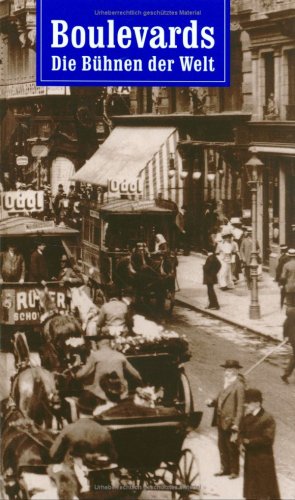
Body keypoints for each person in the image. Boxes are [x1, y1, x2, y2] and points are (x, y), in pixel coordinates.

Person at [74, 335, 142, 413]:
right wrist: (142, 385)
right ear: (109, 344)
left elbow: (81, 375)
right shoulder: (120, 355)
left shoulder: (95, 355)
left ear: (98, 344)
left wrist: (75, 373)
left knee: (83, 398)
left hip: (102, 392)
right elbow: (136, 374)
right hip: (120, 392)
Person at [206, 359, 245, 479]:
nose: (225, 372)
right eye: (225, 370)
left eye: (228, 370)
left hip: (231, 422)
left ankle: (234, 471)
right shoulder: (226, 383)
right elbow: (220, 399)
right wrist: (212, 402)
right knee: (221, 445)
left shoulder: (239, 386)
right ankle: (225, 468)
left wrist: (237, 424)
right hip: (220, 420)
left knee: (232, 446)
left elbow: (240, 408)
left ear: (235, 371)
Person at [240, 388, 280, 500]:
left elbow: (268, 439)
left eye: (248, 402)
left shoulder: (267, 418)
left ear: (257, 403)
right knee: (251, 491)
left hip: (263, 460)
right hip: (250, 458)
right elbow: (242, 431)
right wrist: (240, 439)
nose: (245, 405)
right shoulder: (247, 417)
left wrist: (249, 442)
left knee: (264, 491)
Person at [50, 418, 117, 463]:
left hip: (74, 471)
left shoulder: (68, 429)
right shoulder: (103, 430)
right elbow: (113, 457)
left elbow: (54, 455)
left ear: (79, 408)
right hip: (98, 470)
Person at [281, 308, 295, 383]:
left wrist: (286, 336)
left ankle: (286, 374)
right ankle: (286, 374)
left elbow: (285, 327)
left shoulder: (290, 315)